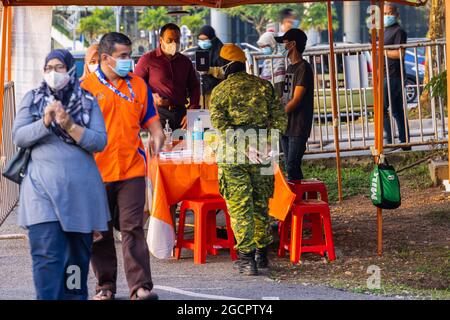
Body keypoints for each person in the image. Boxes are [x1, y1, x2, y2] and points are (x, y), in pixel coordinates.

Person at [12, 49, 110, 300]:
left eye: (59, 67)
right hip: (41, 193)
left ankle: (74, 297)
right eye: (48, 68)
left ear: (70, 69)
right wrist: (45, 122)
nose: (53, 73)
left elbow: (99, 141)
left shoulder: (87, 100)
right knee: (47, 257)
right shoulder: (33, 99)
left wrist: (70, 126)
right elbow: (19, 136)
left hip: (81, 196)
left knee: (76, 261)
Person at [81, 32, 164, 301]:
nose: (130, 61)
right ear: (106, 58)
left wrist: (157, 133)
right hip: (95, 172)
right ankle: (105, 287)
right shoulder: (86, 87)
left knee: (132, 228)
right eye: (124, 57)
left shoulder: (138, 85)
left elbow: (149, 116)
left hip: (132, 168)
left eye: (130, 55)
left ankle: (140, 287)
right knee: (99, 232)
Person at [210, 44, 287, 276]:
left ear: (225, 66)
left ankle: (246, 260)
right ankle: (262, 255)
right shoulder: (265, 87)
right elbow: (280, 118)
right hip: (263, 155)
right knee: (261, 204)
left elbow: (220, 124)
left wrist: (244, 146)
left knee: (240, 206)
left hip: (233, 157)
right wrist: (265, 143)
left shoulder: (220, 91)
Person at [135, 23, 200, 130]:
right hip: (157, 113)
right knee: (160, 146)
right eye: (169, 40)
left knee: (184, 145)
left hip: (181, 113)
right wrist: (150, 97)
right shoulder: (148, 60)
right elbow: (135, 85)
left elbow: (194, 87)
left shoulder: (185, 61)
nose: (174, 44)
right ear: (161, 40)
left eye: (177, 40)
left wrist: (192, 110)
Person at [275, 29, 314, 181]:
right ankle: (299, 199)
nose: (282, 47)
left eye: (284, 43)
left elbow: (296, 99)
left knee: (292, 165)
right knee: (289, 165)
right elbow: (286, 97)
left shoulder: (303, 68)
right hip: (286, 125)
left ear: (292, 44)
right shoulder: (290, 67)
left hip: (298, 125)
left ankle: (300, 199)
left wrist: (279, 115)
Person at [383, 3, 410, 150]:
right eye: (385, 13)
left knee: (382, 108)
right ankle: (405, 143)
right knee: (397, 110)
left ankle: (390, 142)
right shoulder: (384, 30)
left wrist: (382, 51)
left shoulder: (398, 31)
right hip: (385, 74)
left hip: (393, 75)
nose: (387, 16)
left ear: (396, 14)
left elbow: (400, 53)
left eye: (390, 13)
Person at [196, 25, 225, 108]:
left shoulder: (221, 51)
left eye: (205, 39)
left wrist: (210, 70)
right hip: (202, 91)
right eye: (200, 39)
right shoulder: (199, 50)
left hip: (218, 91)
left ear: (212, 38)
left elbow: (225, 71)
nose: (202, 42)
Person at [257, 31, 286, 98]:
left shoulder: (280, 59)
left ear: (272, 43)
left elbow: (280, 82)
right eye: (261, 47)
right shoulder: (267, 60)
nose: (263, 49)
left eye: (265, 46)